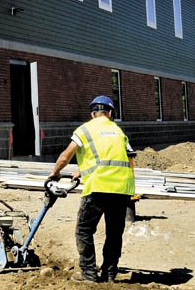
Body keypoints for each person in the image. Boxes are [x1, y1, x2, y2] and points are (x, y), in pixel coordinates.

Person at [47, 96, 135, 283]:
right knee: (114, 233)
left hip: (98, 187)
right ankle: (110, 274)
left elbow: (65, 156)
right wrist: (82, 170)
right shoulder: (117, 131)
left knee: (84, 230)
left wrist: (55, 173)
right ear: (110, 113)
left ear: (92, 113)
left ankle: (88, 274)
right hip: (122, 188)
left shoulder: (85, 129)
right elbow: (127, 158)